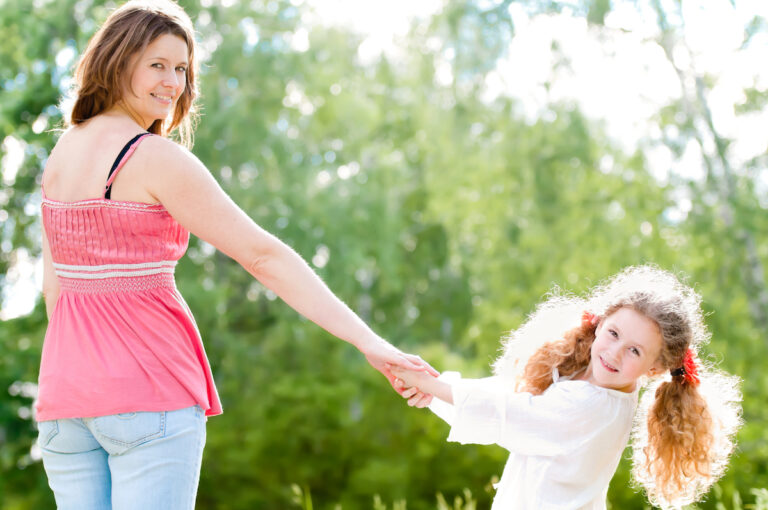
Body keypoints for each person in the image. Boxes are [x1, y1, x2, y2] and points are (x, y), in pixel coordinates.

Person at [37, 1, 434, 508]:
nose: (173, 83)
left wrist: (86, 377)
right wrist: (370, 342)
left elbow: (55, 289)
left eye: (181, 68)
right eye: (156, 65)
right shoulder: (155, 159)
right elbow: (262, 257)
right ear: (117, 61)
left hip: (66, 405)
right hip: (151, 394)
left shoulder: (62, 153)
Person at [392, 265, 743, 509]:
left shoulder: (593, 405)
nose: (614, 353)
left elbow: (514, 416)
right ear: (600, 321)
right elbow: (506, 395)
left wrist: (428, 384)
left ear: (654, 368)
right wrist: (434, 392)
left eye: (633, 350)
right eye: (614, 334)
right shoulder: (594, 377)